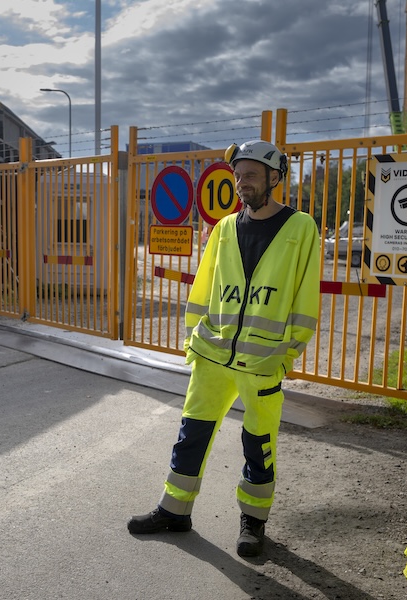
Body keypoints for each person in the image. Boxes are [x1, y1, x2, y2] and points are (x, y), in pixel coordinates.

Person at [128, 140, 322, 557]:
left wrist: (288, 354)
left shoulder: (301, 227)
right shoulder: (224, 228)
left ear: (274, 178)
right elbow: (202, 289)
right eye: (238, 175)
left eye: (251, 175)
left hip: (264, 360)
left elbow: (306, 301)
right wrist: (194, 339)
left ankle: (253, 521)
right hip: (212, 354)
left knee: (259, 443)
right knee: (191, 434)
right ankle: (174, 509)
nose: (241, 183)